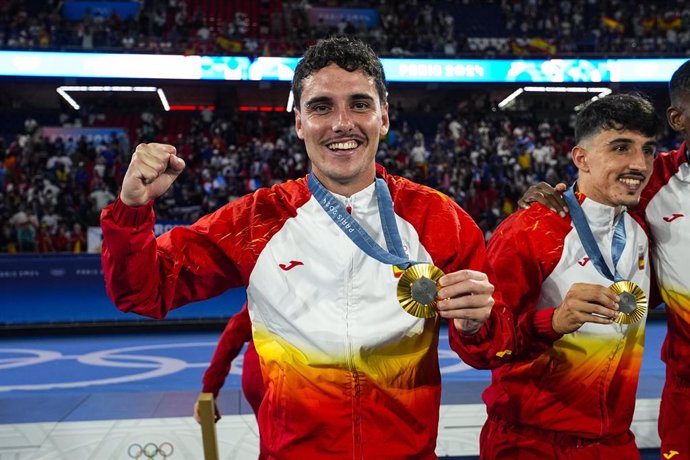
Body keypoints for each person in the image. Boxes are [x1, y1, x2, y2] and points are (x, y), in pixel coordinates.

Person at [100, 36, 514, 459]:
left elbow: (491, 351)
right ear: (298, 122)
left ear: (383, 117)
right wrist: (132, 209)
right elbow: (143, 292)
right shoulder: (253, 223)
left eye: (359, 104)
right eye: (321, 107)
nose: (341, 123)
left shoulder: (440, 220)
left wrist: (477, 324)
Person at [519, 61, 690, 459]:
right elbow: (597, 192)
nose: (637, 161)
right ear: (678, 117)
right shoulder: (652, 182)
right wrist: (546, 201)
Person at [481, 93, 662, 459]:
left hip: (614, 442)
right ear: (581, 158)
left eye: (648, 150)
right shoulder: (530, 230)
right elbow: (483, 345)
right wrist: (552, 322)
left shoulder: (644, 228)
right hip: (531, 443)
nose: (639, 164)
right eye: (621, 148)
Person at [193, 302, 264, 422]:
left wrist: (209, 390)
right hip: (286, 376)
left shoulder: (265, 293)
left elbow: (233, 333)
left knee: (271, 435)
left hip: (258, 376)